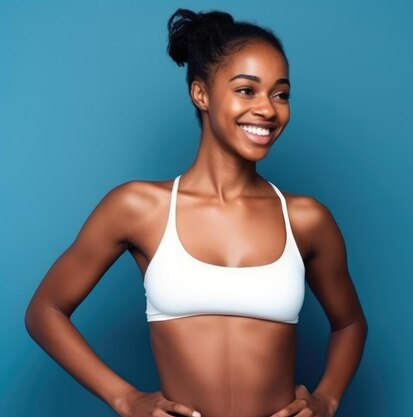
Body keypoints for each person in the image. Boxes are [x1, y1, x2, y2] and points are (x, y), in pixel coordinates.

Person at [24, 8, 368, 417]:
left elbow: (349, 324)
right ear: (201, 94)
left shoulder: (306, 219)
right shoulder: (139, 208)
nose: (268, 110)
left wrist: (326, 400)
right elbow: (44, 311)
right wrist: (126, 398)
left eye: (281, 94)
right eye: (247, 90)